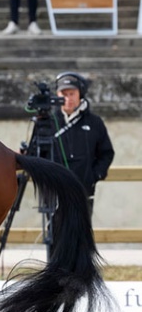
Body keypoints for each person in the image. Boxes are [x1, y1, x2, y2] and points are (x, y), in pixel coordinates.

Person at [52, 72, 115, 215]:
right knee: (55, 234)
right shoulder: (48, 122)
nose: (68, 99)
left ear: (80, 94)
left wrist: (95, 175)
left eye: (72, 94)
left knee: (82, 234)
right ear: (57, 95)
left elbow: (106, 153)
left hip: (84, 192)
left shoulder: (94, 122)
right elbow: (38, 153)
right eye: (64, 94)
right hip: (54, 193)